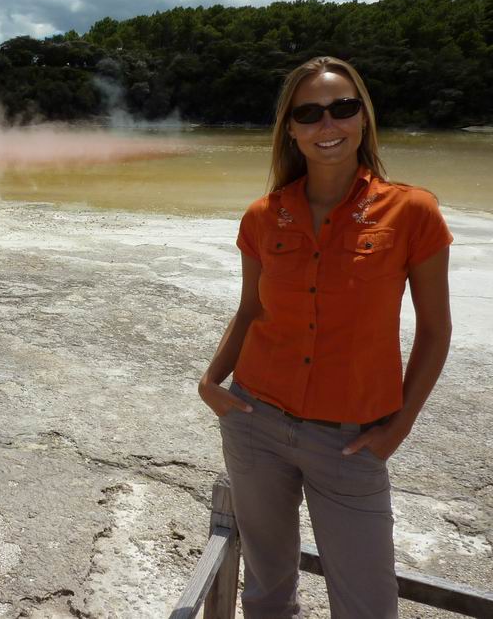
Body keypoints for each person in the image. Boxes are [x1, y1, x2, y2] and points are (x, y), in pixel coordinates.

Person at [197, 56, 453, 618]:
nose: (327, 125)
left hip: (353, 440)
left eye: (342, 108)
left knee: (367, 604)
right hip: (254, 422)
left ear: (363, 117)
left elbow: (436, 331)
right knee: (266, 591)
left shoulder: (412, 211)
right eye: (308, 113)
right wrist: (211, 383)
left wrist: (398, 426)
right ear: (290, 129)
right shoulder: (264, 216)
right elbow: (249, 311)